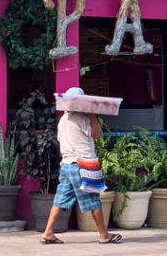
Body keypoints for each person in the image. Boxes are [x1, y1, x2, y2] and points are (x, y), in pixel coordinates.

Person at [40, 87, 121, 244]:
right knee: (93, 200)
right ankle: (104, 235)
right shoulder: (81, 118)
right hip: (82, 165)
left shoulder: (64, 119)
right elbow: (96, 134)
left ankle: (48, 232)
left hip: (66, 164)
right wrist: (92, 115)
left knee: (60, 199)